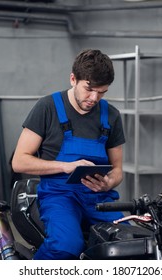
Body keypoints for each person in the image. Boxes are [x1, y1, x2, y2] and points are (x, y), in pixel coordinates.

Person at [12, 49, 125, 260]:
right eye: (89, 89)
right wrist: (65, 166)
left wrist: (109, 183)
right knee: (66, 246)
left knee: (129, 245)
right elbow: (19, 162)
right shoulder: (47, 107)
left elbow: (118, 169)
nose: (94, 98)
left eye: (102, 92)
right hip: (59, 195)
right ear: (73, 79)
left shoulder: (111, 115)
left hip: (98, 197)